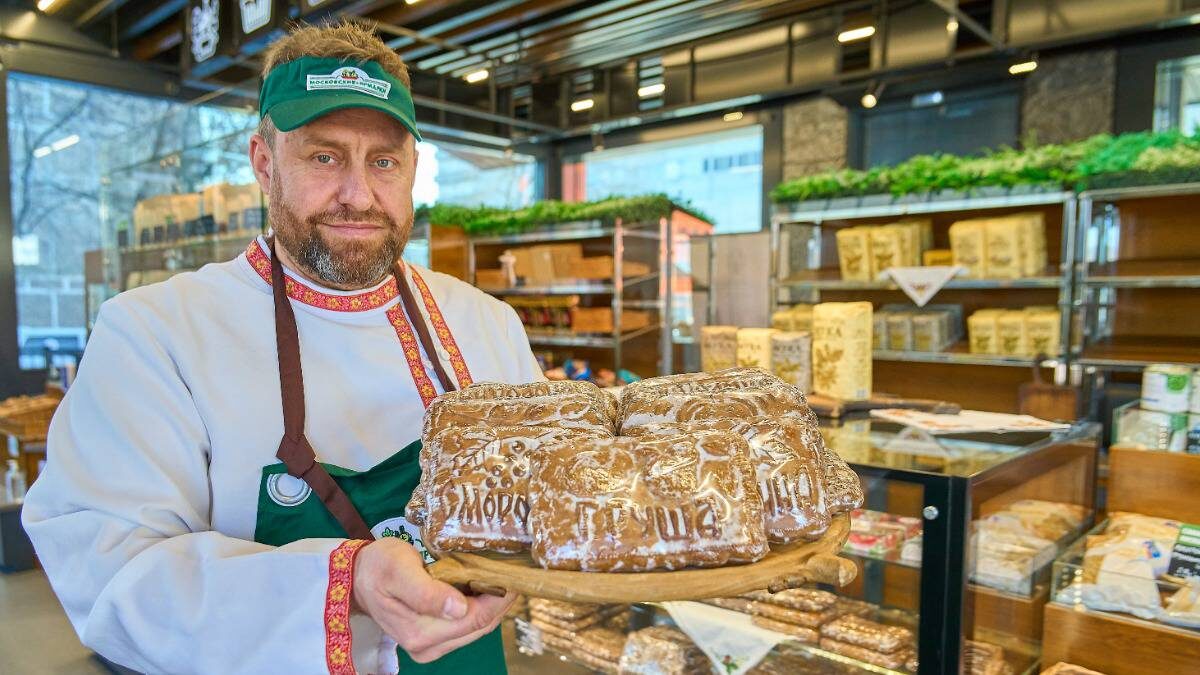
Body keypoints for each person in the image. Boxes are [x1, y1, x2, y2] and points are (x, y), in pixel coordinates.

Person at [23, 21, 540, 675]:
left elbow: (543, 508)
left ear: (411, 166)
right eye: (324, 157)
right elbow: (112, 576)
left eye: (383, 161)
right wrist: (347, 580)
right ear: (264, 163)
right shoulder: (155, 334)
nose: (358, 194)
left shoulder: (489, 324)